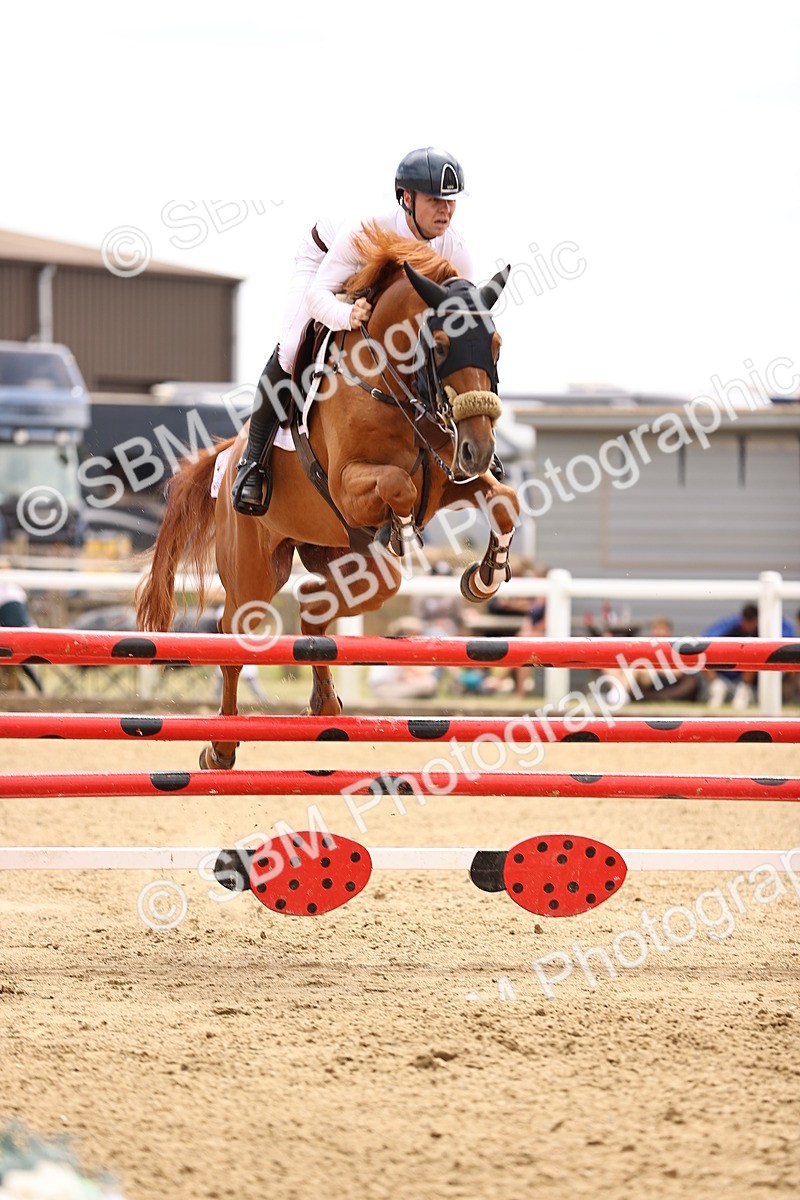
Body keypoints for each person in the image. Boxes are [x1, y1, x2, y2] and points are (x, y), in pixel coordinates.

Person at [231, 147, 472, 515]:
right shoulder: (368, 230)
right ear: (407, 198)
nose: (446, 210)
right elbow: (317, 297)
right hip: (326, 265)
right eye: (435, 199)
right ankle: (253, 462)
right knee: (292, 345)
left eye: (450, 201)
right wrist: (347, 315)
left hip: (375, 281)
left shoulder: (453, 245)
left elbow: (465, 316)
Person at [703, 603, 794, 708]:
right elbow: (707, 639)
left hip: (754, 672)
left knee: (753, 654)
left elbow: (785, 645)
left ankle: (744, 690)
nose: (749, 626)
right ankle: (717, 687)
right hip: (727, 667)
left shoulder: (767, 630)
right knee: (703, 654)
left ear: (757, 621)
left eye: (752, 622)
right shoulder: (732, 626)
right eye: (747, 622)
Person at [602, 616, 701, 707]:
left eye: (662, 629)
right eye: (656, 629)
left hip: (662, 680)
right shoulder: (648, 646)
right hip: (643, 679)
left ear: (669, 632)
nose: (659, 632)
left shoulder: (674, 648)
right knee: (612, 668)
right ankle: (617, 693)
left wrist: (655, 668)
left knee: (637, 668)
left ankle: (617, 695)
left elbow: (677, 673)